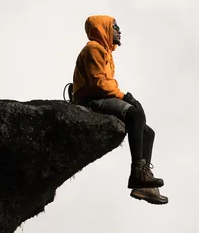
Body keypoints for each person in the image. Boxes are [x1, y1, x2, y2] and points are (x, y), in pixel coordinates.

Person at [70, 14, 168, 205]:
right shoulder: (94, 48)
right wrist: (125, 97)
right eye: (115, 27)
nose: (119, 31)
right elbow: (100, 83)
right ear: (103, 29)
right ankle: (138, 171)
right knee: (135, 113)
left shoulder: (105, 53)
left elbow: (106, 83)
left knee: (148, 133)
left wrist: (124, 96)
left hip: (100, 96)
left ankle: (143, 182)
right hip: (91, 100)